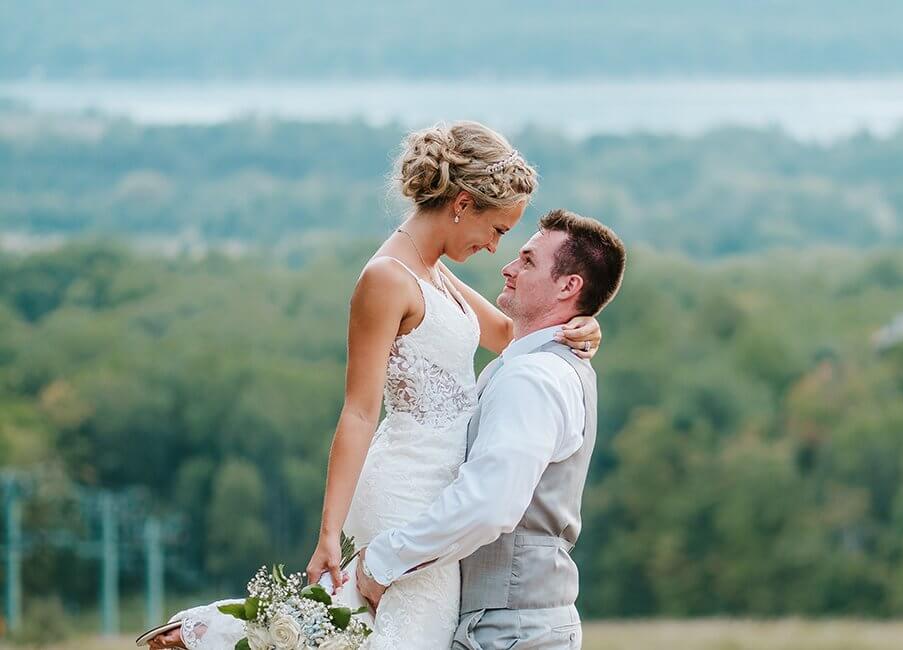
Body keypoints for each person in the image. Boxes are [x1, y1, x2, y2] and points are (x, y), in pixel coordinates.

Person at [146, 122, 602, 650]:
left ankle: (237, 632)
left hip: (443, 493)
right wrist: (327, 534)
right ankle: (220, 636)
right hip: (408, 488)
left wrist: (584, 324)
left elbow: (508, 335)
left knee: (378, 632)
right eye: (498, 229)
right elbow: (359, 412)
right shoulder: (386, 278)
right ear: (461, 203)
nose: (493, 248)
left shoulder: (433, 271)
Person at [355, 209, 626, 649]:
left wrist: (383, 562)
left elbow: (488, 505)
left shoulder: (532, 378)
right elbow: (419, 271)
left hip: (512, 629)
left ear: (568, 286)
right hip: (511, 623)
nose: (508, 266)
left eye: (528, 260)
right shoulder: (538, 365)